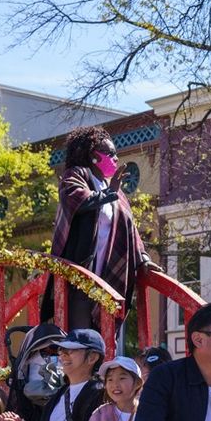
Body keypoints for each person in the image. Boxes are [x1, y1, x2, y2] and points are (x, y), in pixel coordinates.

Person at [41, 126, 159, 329]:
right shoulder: (76, 175)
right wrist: (109, 193)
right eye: (110, 154)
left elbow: (131, 230)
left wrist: (144, 260)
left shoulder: (115, 190)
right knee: (81, 333)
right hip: (81, 269)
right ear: (93, 156)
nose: (115, 158)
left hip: (108, 270)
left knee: (104, 331)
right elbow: (77, 200)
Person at [5, 323, 65, 421]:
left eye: (57, 349)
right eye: (46, 350)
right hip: (33, 408)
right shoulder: (31, 360)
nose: (51, 353)